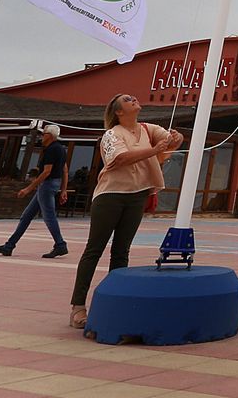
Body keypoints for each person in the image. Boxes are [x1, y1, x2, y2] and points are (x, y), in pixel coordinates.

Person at [69, 95, 183, 330]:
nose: (134, 100)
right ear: (118, 111)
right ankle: (78, 306)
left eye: (133, 98)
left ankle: (115, 298)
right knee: (94, 249)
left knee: (121, 251)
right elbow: (119, 159)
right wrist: (153, 150)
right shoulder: (112, 134)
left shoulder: (148, 129)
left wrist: (176, 138)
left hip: (137, 195)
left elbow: (170, 144)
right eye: (127, 100)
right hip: (110, 195)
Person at [0, 124, 70, 258]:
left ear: (49, 136)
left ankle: (60, 244)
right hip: (53, 184)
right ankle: (9, 246)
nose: (41, 136)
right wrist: (63, 189)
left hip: (47, 185)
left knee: (49, 216)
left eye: (43, 134)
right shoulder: (61, 149)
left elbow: (46, 172)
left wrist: (28, 188)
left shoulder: (51, 149)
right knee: (27, 216)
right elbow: (65, 170)